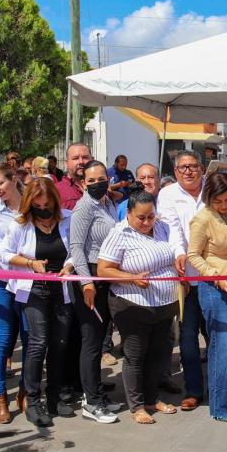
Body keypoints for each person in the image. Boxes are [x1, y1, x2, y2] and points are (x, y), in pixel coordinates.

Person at [99, 183, 181, 424]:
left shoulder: (162, 228)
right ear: (129, 214)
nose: (147, 222)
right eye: (141, 218)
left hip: (165, 304)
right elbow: (104, 269)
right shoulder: (119, 233)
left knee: (157, 355)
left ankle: (151, 398)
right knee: (135, 356)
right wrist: (131, 278)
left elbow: (173, 253)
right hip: (132, 305)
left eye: (151, 216)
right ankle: (136, 406)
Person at [0, 178, 76, 427]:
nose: (44, 209)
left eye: (48, 204)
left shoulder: (67, 218)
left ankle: (54, 396)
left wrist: (69, 265)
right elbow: (5, 255)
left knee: (60, 343)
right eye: (38, 205)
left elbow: (76, 248)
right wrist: (31, 264)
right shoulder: (20, 224)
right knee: (38, 342)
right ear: (30, 204)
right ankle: (33, 401)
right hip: (33, 289)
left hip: (61, 288)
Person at [116, 163, 180, 395]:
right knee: (137, 348)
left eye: (150, 177)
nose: (146, 181)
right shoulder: (125, 207)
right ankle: (139, 393)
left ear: (158, 179)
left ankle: (162, 378)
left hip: (165, 298)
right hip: (135, 298)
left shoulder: (166, 204)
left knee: (165, 342)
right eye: (141, 177)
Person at [188, 172, 227, 423]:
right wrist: (213, 275)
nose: (223, 205)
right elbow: (193, 255)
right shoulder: (202, 219)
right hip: (213, 287)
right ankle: (221, 406)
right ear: (208, 197)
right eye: (218, 201)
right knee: (221, 344)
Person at [69, 160, 120, 424]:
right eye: (91, 181)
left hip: (105, 275)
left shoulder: (108, 204)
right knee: (91, 341)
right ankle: (91, 402)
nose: (98, 184)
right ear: (82, 184)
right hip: (89, 276)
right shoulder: (83, 208)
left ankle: (97, 392)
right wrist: (86, 282)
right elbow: (76, 247)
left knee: (100, 339)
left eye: (102, 178)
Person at [158, 151, 210, 411]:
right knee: (188, 337)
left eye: (193, 166)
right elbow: (171, 230)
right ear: (175, 171)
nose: (188, 171)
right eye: (182, 168)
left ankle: (221, 386)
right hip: (185, 277)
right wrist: (180, 254)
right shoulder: (167, 195)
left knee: (217, 335)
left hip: (214, 275)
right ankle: (194, 390)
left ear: (201, 168)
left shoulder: (212, 190)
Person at [0, 163, 29, 423]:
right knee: (2, 339)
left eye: (0, 183)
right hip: (1, 280)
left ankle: (25, 390)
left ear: (13, 179)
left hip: (26, 283)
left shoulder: (31, 204)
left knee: (28, 336)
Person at [57, 143, 93, 210]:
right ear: (67, 163)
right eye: (75, 158)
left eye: (85, 157)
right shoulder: (56, 190)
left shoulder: (100, 187)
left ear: (92, 160)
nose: (81, 162)